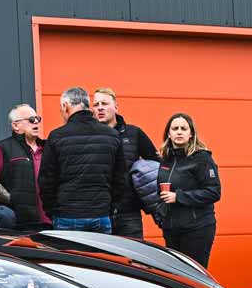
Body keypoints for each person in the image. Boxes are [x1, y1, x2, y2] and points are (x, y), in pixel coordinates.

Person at [38, 87, 125, 233]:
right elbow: (120, 178)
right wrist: (110, 207)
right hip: (101, 213)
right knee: (100, 256)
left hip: (67, 214)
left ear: (66, 106)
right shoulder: (112, 135)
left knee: (70, 256)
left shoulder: (57, 136)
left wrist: (52, 211)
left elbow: (46, 180)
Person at [92, 87, 158, 238]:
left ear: (116, 106)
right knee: (101, 260)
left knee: (131, 260)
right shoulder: (88, 136)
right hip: (98, 214)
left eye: (105, 103)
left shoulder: (134, 133)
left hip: (129, 213)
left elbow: (156, 164)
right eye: (96, 104)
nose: (100, 107)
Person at [157, 113, 220, 268]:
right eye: (175, 128)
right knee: (176, 279)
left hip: (197, 229)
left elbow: (214, 191)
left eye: (183, 128)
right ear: (169, 134)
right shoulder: (165, 159)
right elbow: (160, 193)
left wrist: (178, 197)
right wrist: (161, 215)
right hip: (172, 230)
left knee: (195, 279)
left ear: (191, 134)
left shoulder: (202, 158)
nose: (179, 131)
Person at [0, 103, 50, 230]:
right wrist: (13, 200)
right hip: (20, 223)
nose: (36, 122)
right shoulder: (4, 148)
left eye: (37, 119)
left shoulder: (48, 147)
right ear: (15, 125)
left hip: (50, 222)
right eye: (30, 119)